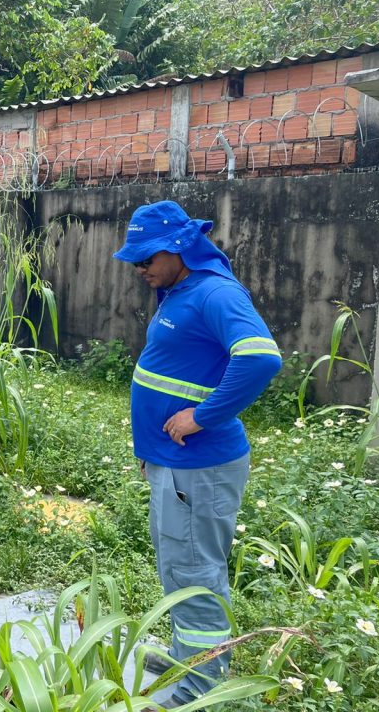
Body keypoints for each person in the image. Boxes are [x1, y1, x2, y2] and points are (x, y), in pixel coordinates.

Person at [113, 201, 282, 708]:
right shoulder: (179, 288)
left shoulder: (214, 292)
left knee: (195, 571)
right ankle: (190, 655)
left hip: (198, 464)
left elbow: (260, 358)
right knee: (180, 566)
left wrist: (201, 416)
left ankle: (200, 688)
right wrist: (151, 450)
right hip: (173, 462)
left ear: (181, 246)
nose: (139, 269)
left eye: (147, 259)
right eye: (135, 261)